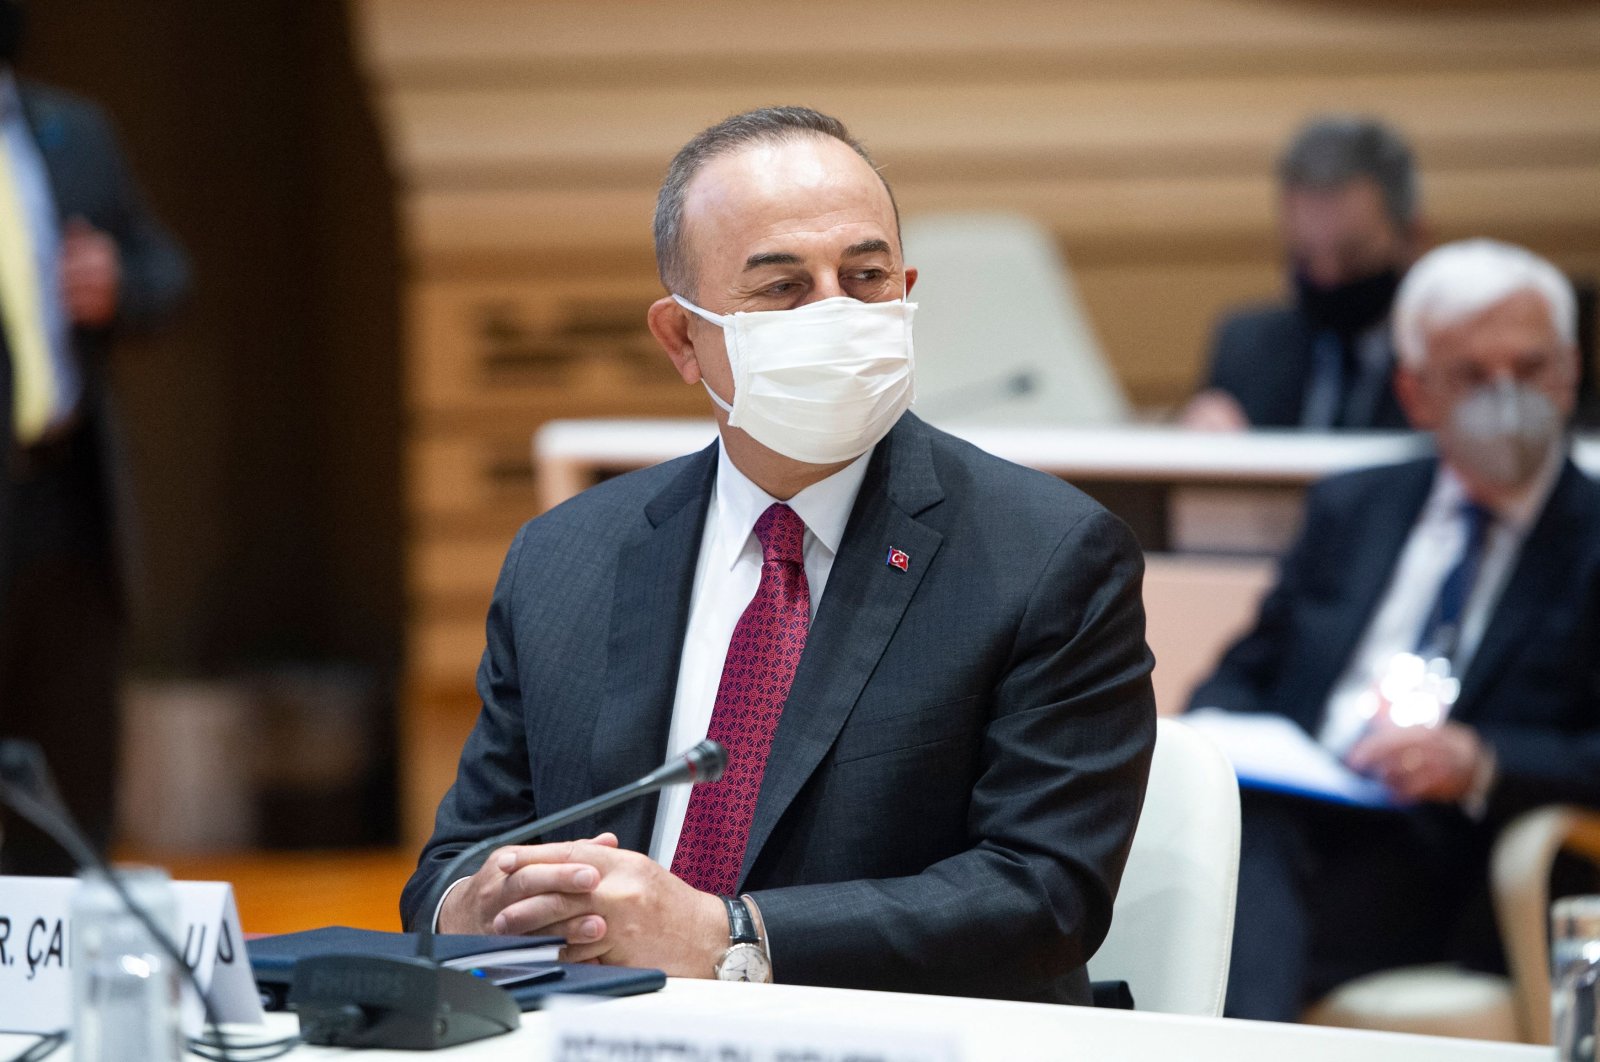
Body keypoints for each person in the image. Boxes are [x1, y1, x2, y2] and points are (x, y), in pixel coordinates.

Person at [401, 106, 1156, 1003]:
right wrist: (475, 908)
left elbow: (1045, 893)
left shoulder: (1049, 557)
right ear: (683, 339)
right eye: (784, 289)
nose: (837, 312)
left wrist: (731, 938)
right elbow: (454, 867)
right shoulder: (564, 558)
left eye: (866, 277)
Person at [1187, 238, 1600, 1021]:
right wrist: (1215, 736)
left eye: (1532, 368)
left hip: (1452, 852)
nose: (1507, 396)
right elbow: (1241, 673)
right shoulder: (1356, 507)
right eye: (1474, 376)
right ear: (1415, 393)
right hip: (1308, 807)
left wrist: (1480, 761)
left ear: (1572, 370)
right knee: (1203, 838)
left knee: (1231, 892)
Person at [0, 0, 190, 873]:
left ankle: (61, 997)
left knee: (71, 789)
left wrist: (119, 281)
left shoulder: (72, 131)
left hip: (69, 504)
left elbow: (165, 272)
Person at [1181, 115, 1426, 431]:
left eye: (1352, 255)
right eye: (1306, 257)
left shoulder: (1443, 363)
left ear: (1413, 237)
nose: (1327, 275)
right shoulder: (1247, 348)